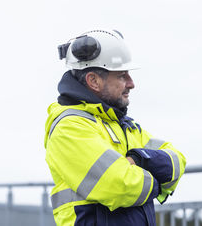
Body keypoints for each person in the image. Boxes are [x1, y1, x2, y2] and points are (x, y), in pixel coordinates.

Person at [44, 29, 186, 226]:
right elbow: (120, 186)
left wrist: (139, 160)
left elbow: (177, 160)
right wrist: (158, 180)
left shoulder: (121, 124)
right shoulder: (69, 128)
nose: (131, 83)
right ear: (93, 80)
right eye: (122, 76)